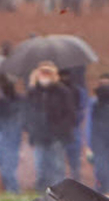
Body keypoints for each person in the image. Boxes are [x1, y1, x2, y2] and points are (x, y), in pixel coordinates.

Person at [24, 62, 79, 190]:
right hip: (38, 136)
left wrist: (60, 131)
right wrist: (31, 128)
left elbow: (70, 114)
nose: (45, 75)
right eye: (42, 72)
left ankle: (58, 194)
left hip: (57, 137)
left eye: (48, 73)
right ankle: (41, 194)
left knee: (57, 167)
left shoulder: (63, 92)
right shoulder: (33, 92)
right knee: (40, 167)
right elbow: (26, 113)